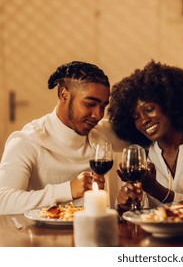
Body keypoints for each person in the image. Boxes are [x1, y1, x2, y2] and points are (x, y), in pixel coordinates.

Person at [0, 61, 121, 214]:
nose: (98, 115)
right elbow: (3, 200)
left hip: (95, 232)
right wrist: (67, 189)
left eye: (103, 106)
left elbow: (149, 133)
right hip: (41, 236)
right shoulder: (26, 142)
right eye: (90, 104)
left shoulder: (101, 132)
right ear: (64, 95)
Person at [109, 60, 183, 211]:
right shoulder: (143, 154)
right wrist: (124, 203)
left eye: (149, 109)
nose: (144, 120)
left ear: (170, 104)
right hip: (158, 233)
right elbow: (141, 210)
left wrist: (155, 189)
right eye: (135, 117)